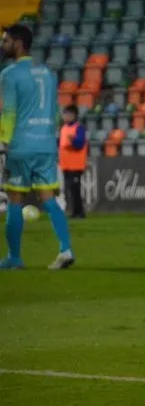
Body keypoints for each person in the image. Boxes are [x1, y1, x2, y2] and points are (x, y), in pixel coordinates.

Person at [0, 24, 75, 269]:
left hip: (21, 145)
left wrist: (3, 141)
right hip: (46, 144)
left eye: (6, 40)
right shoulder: (48, 73)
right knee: (49, 199)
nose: (3, 45)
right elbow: (54, 111)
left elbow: (8, 112)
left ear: (19, 43)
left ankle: (14, 257)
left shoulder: (9, 74)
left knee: (15, 199)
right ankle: (65, 249)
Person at [59, 104, 88, 219]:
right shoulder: (63, 128)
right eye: (65, 114)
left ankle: (79, 212)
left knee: (75, 189)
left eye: (68, 114)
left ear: (75, 115)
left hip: (76, 165)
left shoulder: (79, 128)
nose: (66, 116)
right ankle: (74, 211)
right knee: (69, 189)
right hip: (66, 165)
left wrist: (73, 140)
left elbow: (80, 144)